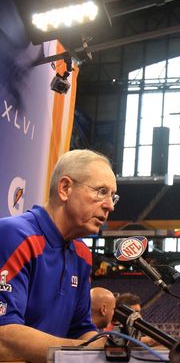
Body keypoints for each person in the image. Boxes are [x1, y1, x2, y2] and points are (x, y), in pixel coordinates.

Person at [0, 149, 118, 362]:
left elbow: (80, 328)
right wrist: (84, 350)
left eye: (112, 196)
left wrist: (105, 346)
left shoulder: (82, 254)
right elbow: (3, 338)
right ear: (65, 188)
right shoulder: (14, 235)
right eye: (101, 191)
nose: (110, 205)